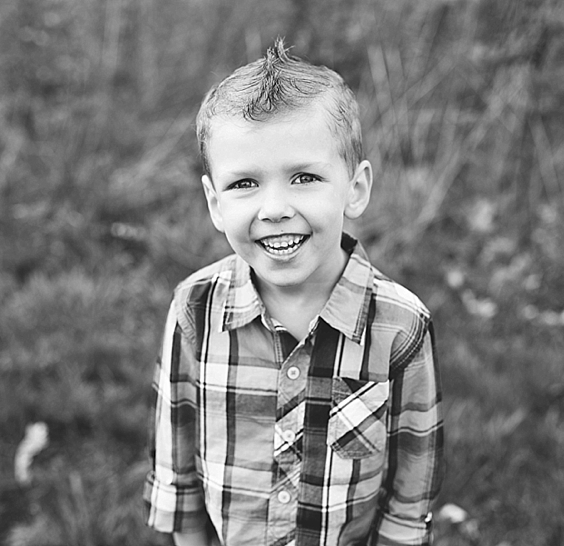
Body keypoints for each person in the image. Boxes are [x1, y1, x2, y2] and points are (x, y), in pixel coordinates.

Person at [143, 38, 443, 546]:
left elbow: (410, 491)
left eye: (304, 177)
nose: (275, 208)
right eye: (244, 184)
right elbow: (179, 470)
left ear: (356, 188)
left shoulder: (400, 325)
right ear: (214, 203)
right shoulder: (195, 309)